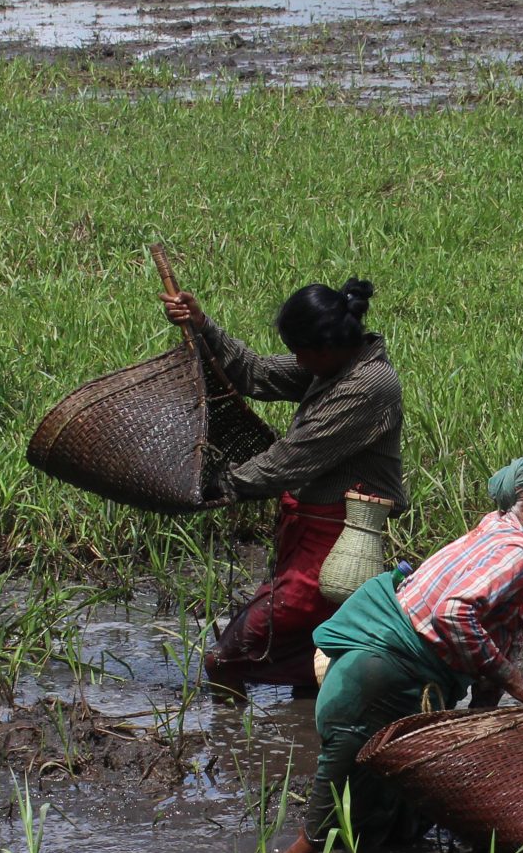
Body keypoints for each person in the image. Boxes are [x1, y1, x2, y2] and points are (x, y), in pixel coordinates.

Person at [286, 447, 523, 853]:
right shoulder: (518, 556)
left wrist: (479, 726)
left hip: (378, 675)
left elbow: (492, 636)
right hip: (376, 681)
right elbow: (454, 614)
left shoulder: (501, 531)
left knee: (383, 823)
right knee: (322, 834)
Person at [160, 276, 403, 694]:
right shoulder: (333, 363)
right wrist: (203, 324)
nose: (296, 360)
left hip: (332, 547)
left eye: (300, 353)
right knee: (314, 652)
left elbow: (290, 460)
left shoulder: (368, 386)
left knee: (229, 656)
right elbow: (256, 373)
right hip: (303, 534)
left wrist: (218, 485)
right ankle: (307, 739)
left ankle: (373, 680)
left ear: (324, 348)